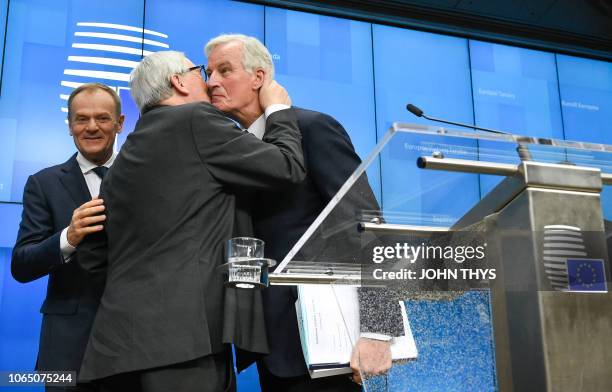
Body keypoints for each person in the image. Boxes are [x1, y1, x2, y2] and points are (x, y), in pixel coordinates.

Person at [74, 51, 305, 392]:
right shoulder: (195, 119)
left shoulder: (122, 161)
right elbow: (287, 166)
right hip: (184, 346)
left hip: (114, 349)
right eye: (200, 71)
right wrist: (278, 111)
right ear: (179, 81)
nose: (209, 81)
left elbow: (93, 257)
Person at [205, 34, 403, 391]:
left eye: (224, 70)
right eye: (208, 73)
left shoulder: (312, 128)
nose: (211, 82)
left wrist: (378, 328)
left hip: (330, 346)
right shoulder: (236, 151)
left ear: (259, 78)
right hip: (273, 350)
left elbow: (368, 225)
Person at [11, 83, 124, 391]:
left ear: (120, 123)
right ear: (70, 125)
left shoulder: (144, 179)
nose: (91, 127)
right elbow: (21, 265)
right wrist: (68, 238)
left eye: (102, 118)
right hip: (66, 350)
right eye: (81, 119)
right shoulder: (43, 184)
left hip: (135, 344)